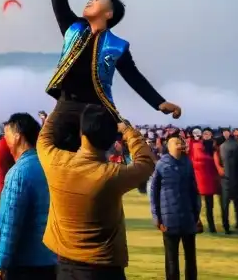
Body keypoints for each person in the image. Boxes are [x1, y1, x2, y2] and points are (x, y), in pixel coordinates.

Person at [45, 0, 182, 152]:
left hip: (98, 109)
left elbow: (134, 77)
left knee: (92, 160)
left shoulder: (117, 46)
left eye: (98, 0)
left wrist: (159, 102)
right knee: (53, 152)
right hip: (66, 104)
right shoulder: (72, 28)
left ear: (109, 14)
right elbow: (59, 1)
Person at [36, 100, 156, 279]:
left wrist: (63, 102)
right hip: (104, 268)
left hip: (64, 266)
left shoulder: (55, 161)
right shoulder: (111, 175)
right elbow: (146, 162)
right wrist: (128, 130)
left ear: (82, 133)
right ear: (111, 139)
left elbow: (44, 138)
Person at [0, 113, 56, 280]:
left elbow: (10, 224)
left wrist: (1, 263)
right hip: (54, 259)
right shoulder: (50, 166)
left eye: (6, 134)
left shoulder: (18, 173)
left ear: (17, 136)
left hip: (26, 264)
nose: (4, 140)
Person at [149, 135, 201, 280]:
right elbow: (154, 192)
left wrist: (197, 215)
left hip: (188, 218)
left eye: (181, 142)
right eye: (176, 142)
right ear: (169, 147)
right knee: (171, 260)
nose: (180, 144)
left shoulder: (187, 163)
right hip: (169, 220)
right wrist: (156, 217)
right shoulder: (161, 165)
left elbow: (194, 190)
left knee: (191, 258)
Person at [186, 128, 220, 233]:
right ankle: (198, 224)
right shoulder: (192, 144)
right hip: (196, 178)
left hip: (207, 178)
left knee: (208, 205)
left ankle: (210, 226)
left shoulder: (212, 146)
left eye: (208, 133)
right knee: (197, 204)